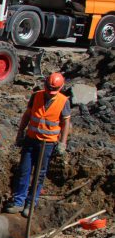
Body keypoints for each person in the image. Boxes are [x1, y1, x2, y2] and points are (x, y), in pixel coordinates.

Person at [6, 72, 71, 216]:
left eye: (53, 90)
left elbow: (66, 122)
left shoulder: (63, 101)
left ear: (60, 88)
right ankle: (19, 202)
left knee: (39, 175)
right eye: (48, 88)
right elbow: (27, 115)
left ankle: (31, 203)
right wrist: (20, 132)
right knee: (24, 170)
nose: (50, 92)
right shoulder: (36, 96)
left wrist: (62, 143)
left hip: (47, 143)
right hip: (31, 139)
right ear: (45, 84)